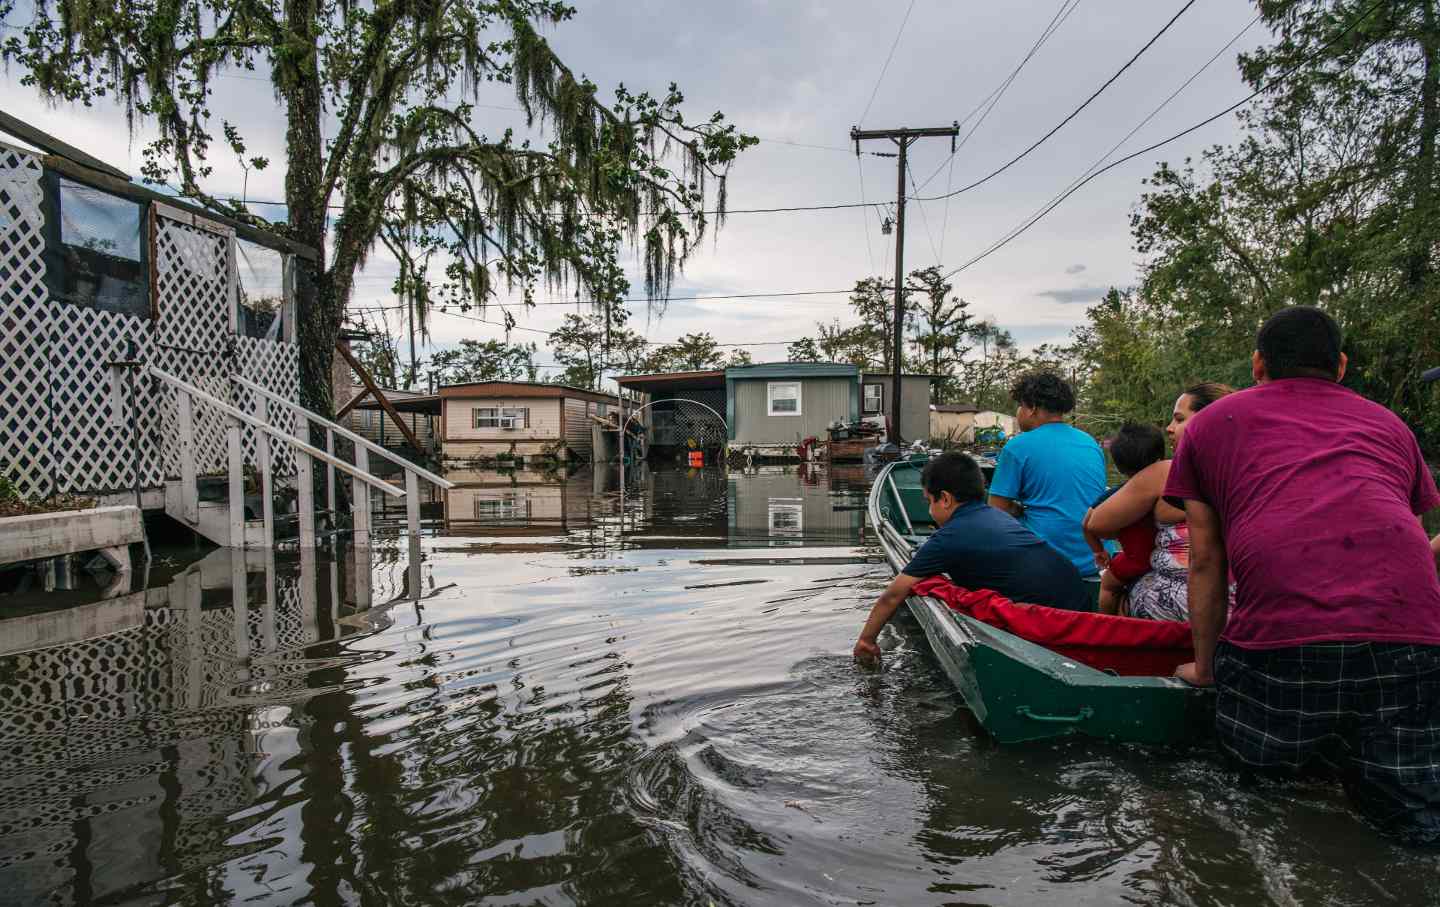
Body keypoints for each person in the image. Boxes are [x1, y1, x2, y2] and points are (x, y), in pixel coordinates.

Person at [1165, 306, 1440, 843]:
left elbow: (1204, 561)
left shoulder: (1211, 426)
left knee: (1256, 809)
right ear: (1339, 365)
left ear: (1257, 364)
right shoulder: (1391, 425)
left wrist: (1204, 667)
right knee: (1412, 826)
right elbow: (1414, 543)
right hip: (1414, 641)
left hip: (1281, 643)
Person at [853, 452, 1090, 660]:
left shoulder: (949, 537)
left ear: (944, 499)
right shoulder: (1000, 517)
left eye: (928, 501)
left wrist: (867, 640)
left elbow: (893, 595)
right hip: (1080, 605)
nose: (929, 510)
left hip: (1050, 624)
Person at [1084, 383, 1234, 621]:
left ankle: (1113, 649)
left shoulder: (1166, 472)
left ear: (1208, 420)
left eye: (1179, 419)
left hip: (1190, 601)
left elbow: (1097, 524)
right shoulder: (1247, 469)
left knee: (1118, 590)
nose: (1169, 428)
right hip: (1244, 600)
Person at [987, 371, 1107, 594]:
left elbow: (996, 511)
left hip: (1048, 562)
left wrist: (1017, 509)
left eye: (1020, 406)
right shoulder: (1090, 443)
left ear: (1032, 408)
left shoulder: (1017, 446)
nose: (1018, 412)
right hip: (1096, 558)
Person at [1084, 422, 1166, 615]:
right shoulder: (1170, 486)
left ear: (1119, 467)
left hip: (1135, 560)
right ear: (1160, 457)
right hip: (1163, 559)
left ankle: (1107, 620)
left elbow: (1087, 524)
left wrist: (1098, 551)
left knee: (1107, 586)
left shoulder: (1117, 494)